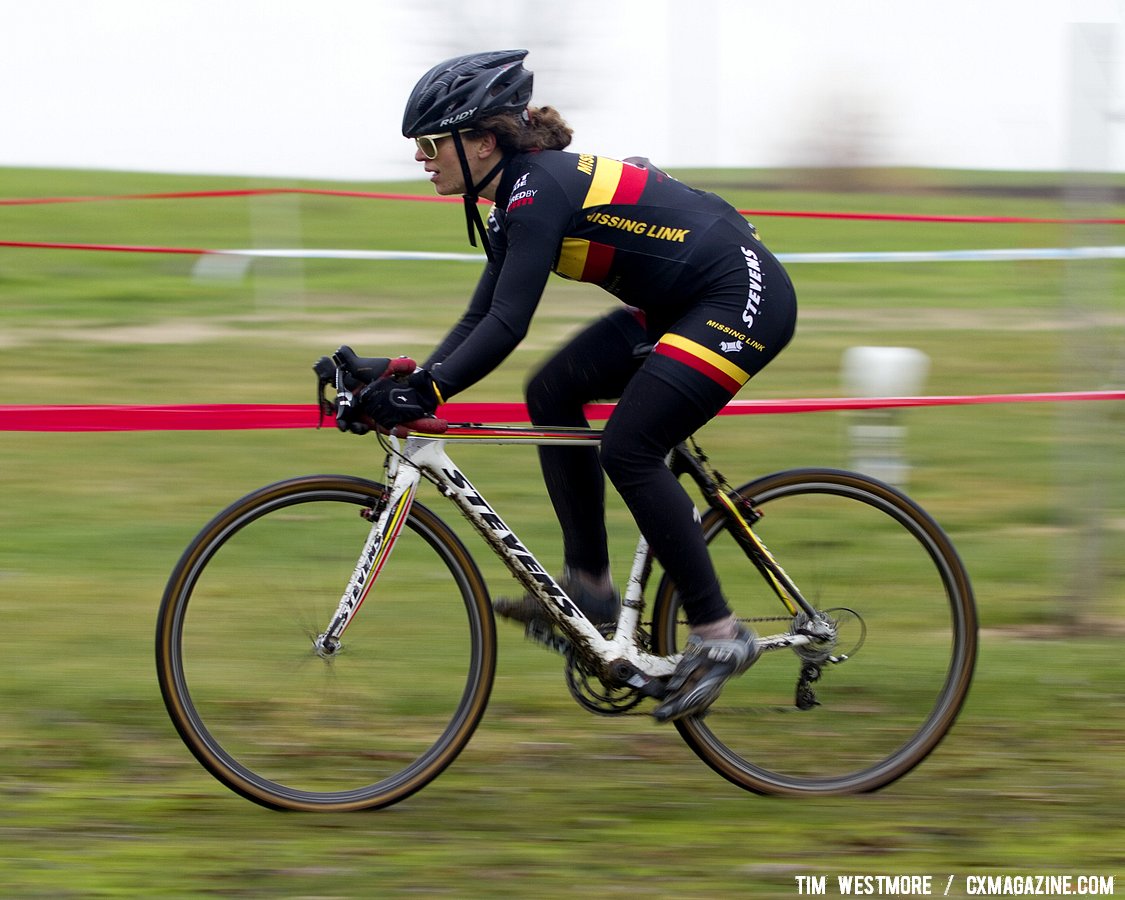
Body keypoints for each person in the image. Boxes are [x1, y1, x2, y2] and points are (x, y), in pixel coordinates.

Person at [357, 49, 798, 721]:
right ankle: (589, 589)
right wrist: (416, 381)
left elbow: (508, 321)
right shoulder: (510, 198)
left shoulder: (537, 189)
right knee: (551, 393)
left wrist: (430, 391)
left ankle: (718, 633)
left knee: (629, 447)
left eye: (429, 143)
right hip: (676, 305)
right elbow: (481, 314)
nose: (421, 157)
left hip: (738, 295)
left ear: (480, 142)